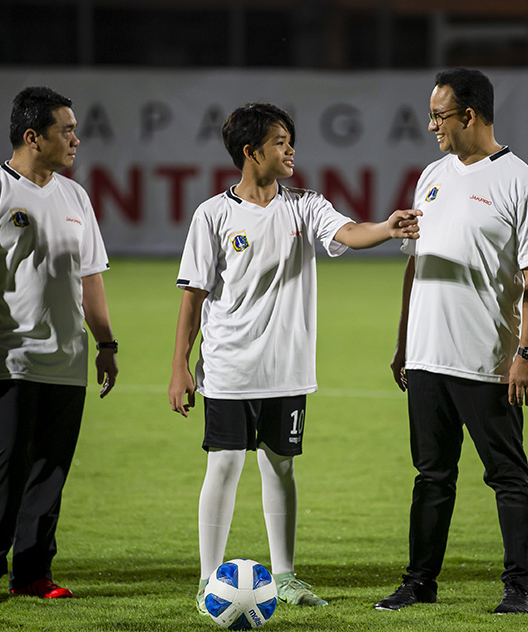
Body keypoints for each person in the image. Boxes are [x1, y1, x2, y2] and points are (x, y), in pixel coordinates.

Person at [168, 102, 421, 614]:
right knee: (223, 468)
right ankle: (207, 582)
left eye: (290, 141)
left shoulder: (304, 205)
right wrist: (179, 367)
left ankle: (284, 577)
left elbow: (348, 232)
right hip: (228, 368)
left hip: (287, 371)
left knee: (281, 469)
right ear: (251, 151)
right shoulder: (213, 215)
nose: (291, 150)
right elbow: (193, 296)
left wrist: (387, 228)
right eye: (280, 141)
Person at [374, 68, 528, 615]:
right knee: (431, 475)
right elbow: (415, 264)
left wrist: (527, 353)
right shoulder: (431, 174)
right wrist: (404, 341)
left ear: (469, 116)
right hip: (427, 359)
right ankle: (419, 582)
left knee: (507, 475)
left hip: (487, 360)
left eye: (439, 116)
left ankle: (520, 586)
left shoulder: (521, 182)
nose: (432, 125)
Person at [0, 86, 119, 600]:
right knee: (5, 460)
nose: (76, 139)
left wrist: (106, 344)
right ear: (32, 136)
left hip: (67, 360)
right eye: (65, 130)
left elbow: (91, 277)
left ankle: (33, 574)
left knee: (50, 470)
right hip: (9, 357)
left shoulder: (75, 196)